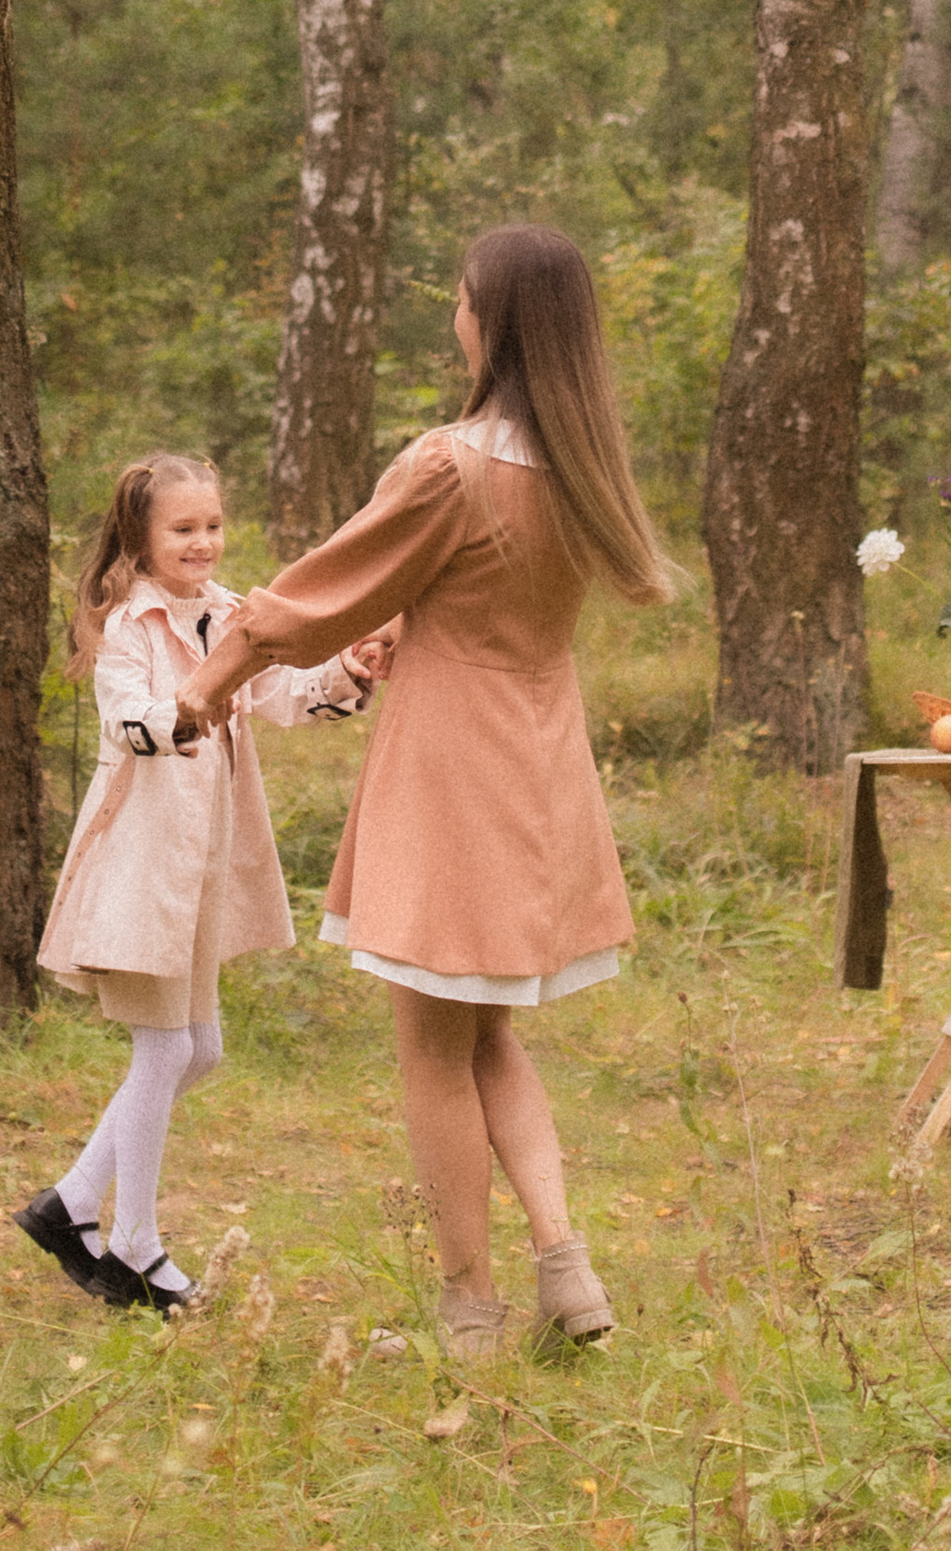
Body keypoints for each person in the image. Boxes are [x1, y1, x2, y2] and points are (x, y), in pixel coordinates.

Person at [177, 224, 673, 1357]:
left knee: (432, 1051)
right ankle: (567, 1272)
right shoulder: (579, 464)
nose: (450, 315)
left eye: (458, 299)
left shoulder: (452, 462)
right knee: (489, 1037)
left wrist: (211, 678)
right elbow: (457, 594)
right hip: (540, 763)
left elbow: (317, 597)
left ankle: (467, 1315)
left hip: (456, 768)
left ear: (488, 323)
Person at [17, 452, 380, 1312]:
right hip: (143, 860)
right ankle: (133, 1246)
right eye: (183, 529)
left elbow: (289, 694)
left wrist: (351, 669)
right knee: (166, 1046)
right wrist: (189, 705)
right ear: (141, 538)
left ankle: (69, 1204)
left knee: (200, 1048)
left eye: (212, 526)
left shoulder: (230, 612)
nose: (203, 542)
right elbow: (130, 719)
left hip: (204, 857)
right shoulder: (125, 625)